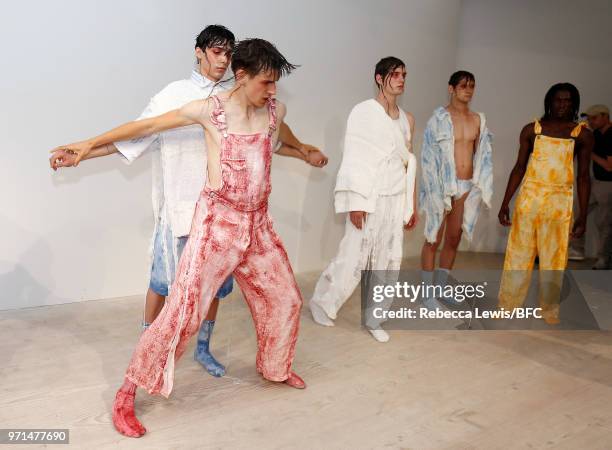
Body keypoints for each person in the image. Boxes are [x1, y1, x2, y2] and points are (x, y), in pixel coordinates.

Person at [54, 38, 306, 437]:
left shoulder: (275, 109)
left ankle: (275, 367)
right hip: (218, 225)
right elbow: (147, 126)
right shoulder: (211, 110)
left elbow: (282, 130)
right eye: (266, 82)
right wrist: (87, 146)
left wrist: (303, 148)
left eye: (275, 83)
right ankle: (127, 393)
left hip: (257, 225)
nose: (272, 91)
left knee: (287, 298)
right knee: (182, 312)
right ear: (241, 78)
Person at [308, 57, 417, 343]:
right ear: (379, 78)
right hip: (369, 197)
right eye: (395, 74)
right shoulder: (363, 112)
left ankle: (375, 317)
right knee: (353, 256)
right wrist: (356, 202)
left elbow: (409, 164)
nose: (401, 79)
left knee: (388, 260)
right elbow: (355, 159)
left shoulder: (408, 119)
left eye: (404, 74)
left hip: (395, 198)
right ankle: (323, 302)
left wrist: (411, 204)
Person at [498, 83, 593, 324]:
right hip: (530, 199)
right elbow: (519, 168)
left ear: (575, 104)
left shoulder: (581, 134)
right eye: (558, 100)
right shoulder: (533, 130)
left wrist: (583, 215)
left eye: (568, 101)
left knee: (554, 257)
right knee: (518, 254)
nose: (563, 105)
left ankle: (549, 309)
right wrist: (505, 202)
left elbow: (583, 177)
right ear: (549, 102)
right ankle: (508, 304)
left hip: (560, 203)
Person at [419, 71, 493, 309]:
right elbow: (428, 157)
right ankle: (426, 294)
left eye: (472, 86)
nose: (468, 90)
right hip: (441, 187)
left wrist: (479, 185)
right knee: (433, 238)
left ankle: (440, 290)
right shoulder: (438, 119)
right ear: (451, 89)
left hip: (465, 186)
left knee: (453, 238)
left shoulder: (477, 120)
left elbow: (483, 155)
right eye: (463, 86)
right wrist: (433, 188)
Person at [568, 105, 612, 269]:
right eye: (589, 118)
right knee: (579, 211)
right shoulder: (597, 134)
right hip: (595, 182)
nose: (590, 121)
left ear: (605, 116)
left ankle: (603, 259)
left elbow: (609, 166)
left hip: (608, 184)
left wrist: (590, 152)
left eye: (594, 118)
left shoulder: (610, 136)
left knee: (604, 222)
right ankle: (577, 250)